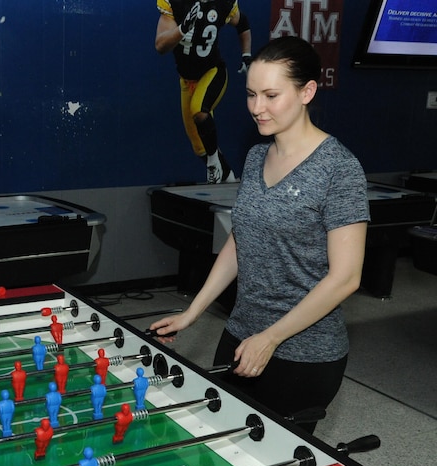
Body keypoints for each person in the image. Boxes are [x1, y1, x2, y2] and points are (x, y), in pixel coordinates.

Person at [150, 36, 369, 434]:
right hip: (240, 334)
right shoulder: (255, 157)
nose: (256, 108)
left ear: (307, 92)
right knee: (221, 451)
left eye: (271, 95)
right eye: (251, 94)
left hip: (304, 354)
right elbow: (240, 240)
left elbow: (346, 277)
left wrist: (270, 338)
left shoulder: (340, 168)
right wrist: (192, 312)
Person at [155, 1, 252, 183]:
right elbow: (160, 46)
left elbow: (242, 23)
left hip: (213, 71)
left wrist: (246, 54)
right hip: (186, 79)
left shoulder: (224, 3)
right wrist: (183, 29)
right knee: (200, 147)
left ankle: (214, 164)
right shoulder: (175, 3)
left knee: (199, 111)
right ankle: (228, 178)